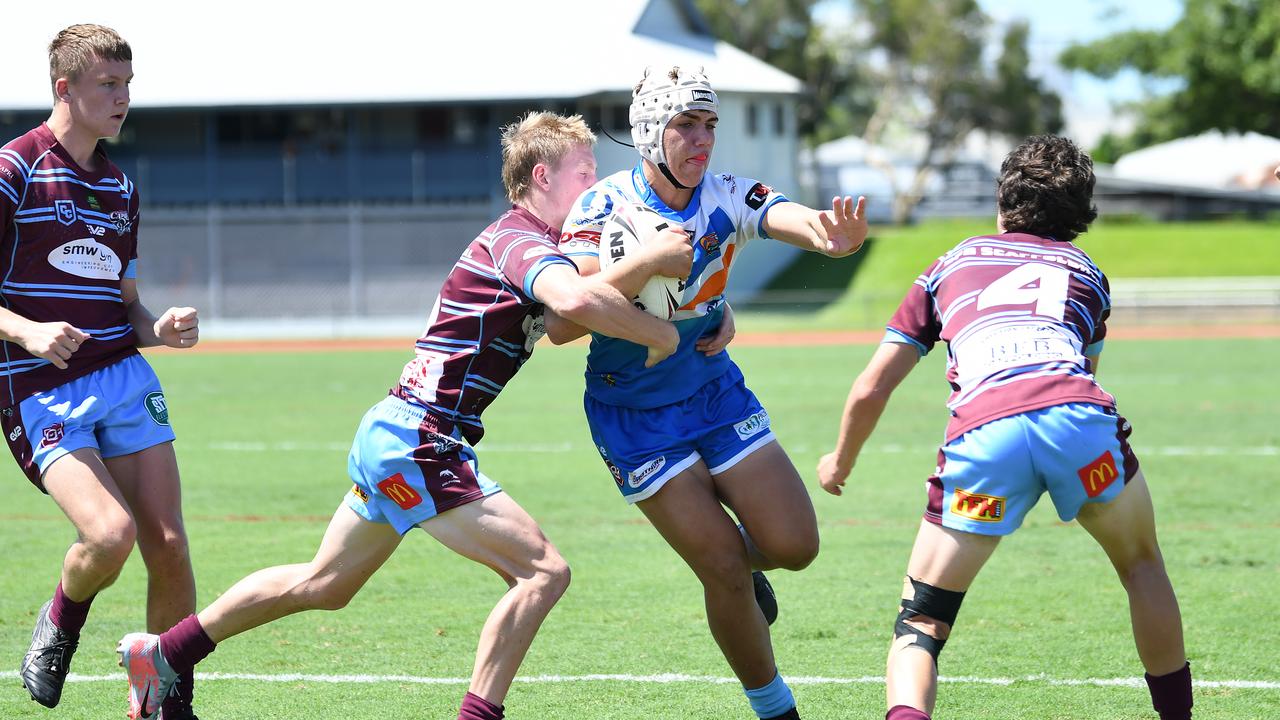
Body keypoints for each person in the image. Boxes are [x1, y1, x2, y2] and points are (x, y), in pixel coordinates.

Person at [117, 111, 690, 720]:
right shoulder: (519, 241)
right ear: (543, 176)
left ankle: (160, 655)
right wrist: (654, 291)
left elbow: (579, 305)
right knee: (543, 572)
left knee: (324, 585)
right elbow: (573, 303)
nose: (596, 190)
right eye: (586, 174)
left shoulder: (541, 248)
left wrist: (678, 307)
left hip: (397, 432)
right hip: (421, 440)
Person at [816, 135, 1192, 720]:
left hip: (984, 438)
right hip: (1079, 427)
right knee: (1142, 567)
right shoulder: (1089, 274)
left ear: (1002, 199)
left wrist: (839, 460)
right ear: (1080, 215)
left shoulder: (953, 263)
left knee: (921, 621)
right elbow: (1078, 375)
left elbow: (872, 385)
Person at [552, 66, 868, 720]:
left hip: (715, 392)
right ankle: (775, 708)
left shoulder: (725, 192)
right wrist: (646, 262)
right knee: (721, 568)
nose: (703, 140)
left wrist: (826, 235)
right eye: (686, 126)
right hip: (634, 414)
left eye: (710, 125)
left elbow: (782, 214)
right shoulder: (602, 208)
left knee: (794, 546)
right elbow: (563, 320)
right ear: (648, 135)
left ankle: (736, 573)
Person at [0, 24, 202, 718]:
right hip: (40, 391)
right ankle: (61, 620)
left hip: (122, 374)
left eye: (127, 85)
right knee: (109, 536)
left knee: (169, 544)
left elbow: (128, 306)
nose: (122, 99)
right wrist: (24, 330)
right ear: (65, 89)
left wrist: (160, 331)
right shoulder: (15, 169)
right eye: (108, 85)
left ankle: (162, 701)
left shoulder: (120, 187)